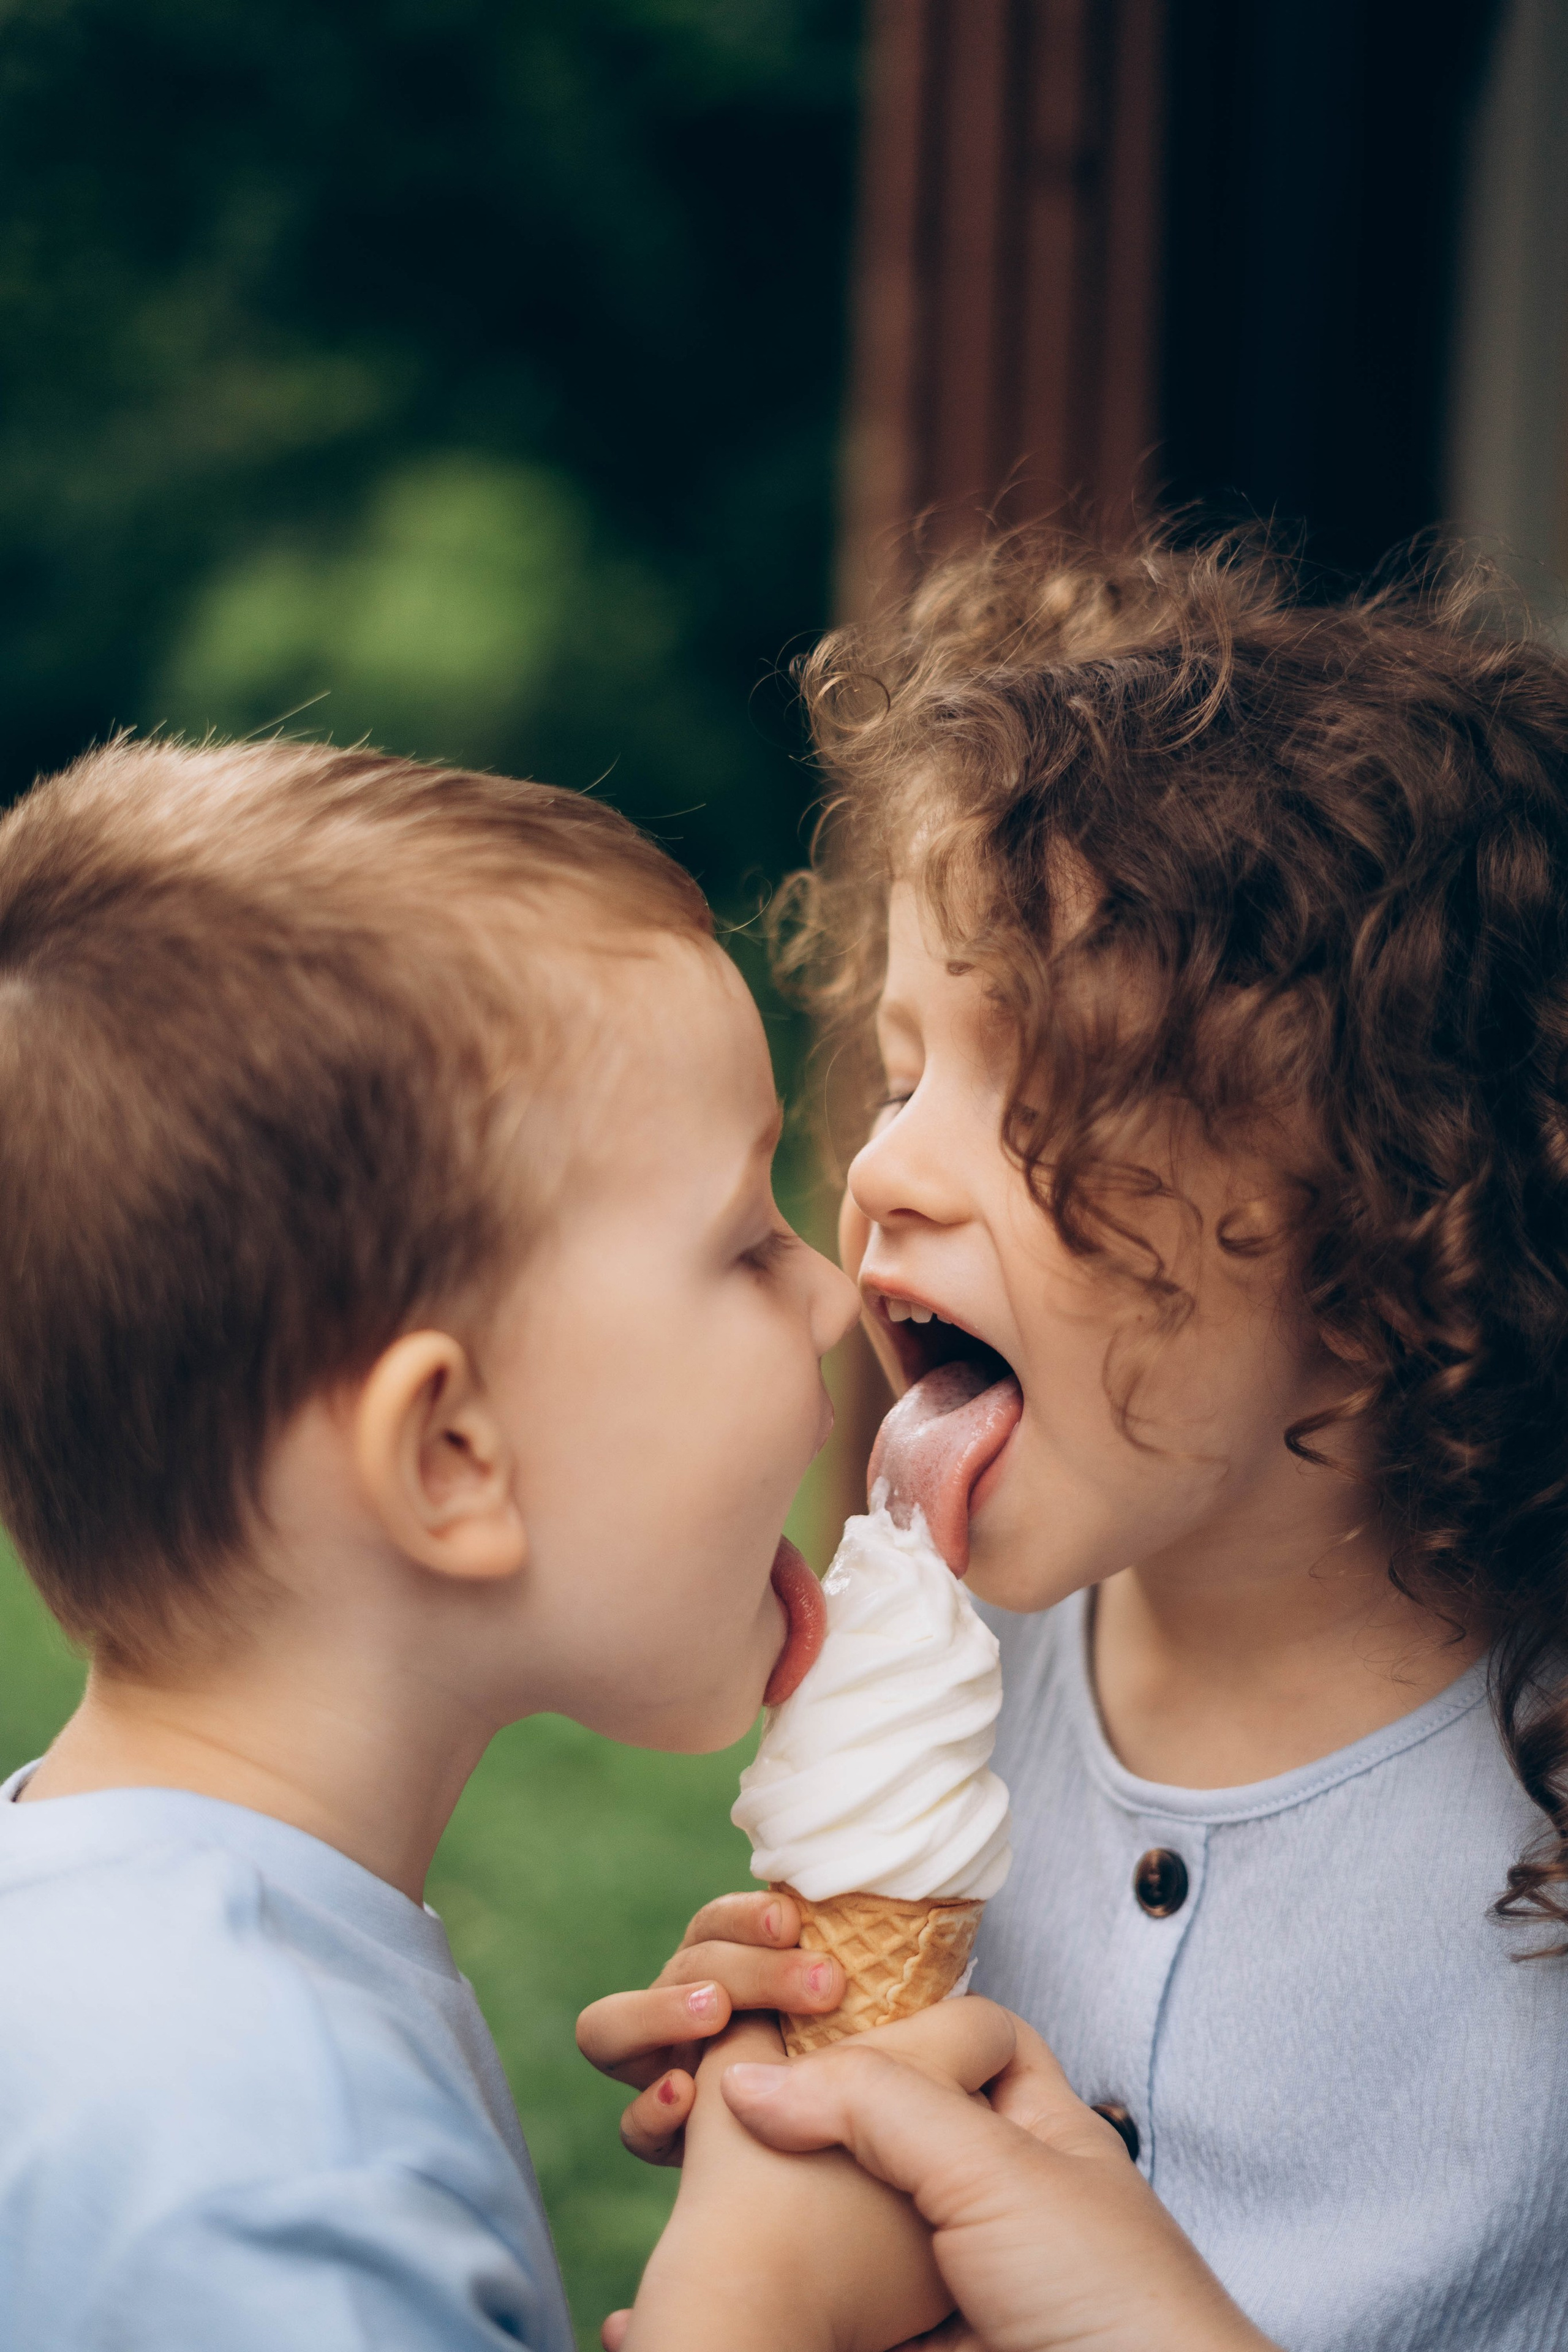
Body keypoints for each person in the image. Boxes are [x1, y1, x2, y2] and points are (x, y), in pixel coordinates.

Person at [581, 533, 1568, 2351]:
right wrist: (810, 2119)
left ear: (1385, 1248)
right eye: (904, 1070)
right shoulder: (968, 1678)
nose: (884, 1165)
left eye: (1044, 1094)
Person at [0, 733, 971, 2350]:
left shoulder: (106, 1944)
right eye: (746, 1241)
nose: (828, 1293)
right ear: (451, 1458)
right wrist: (753, 2309)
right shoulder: (267, 2180)